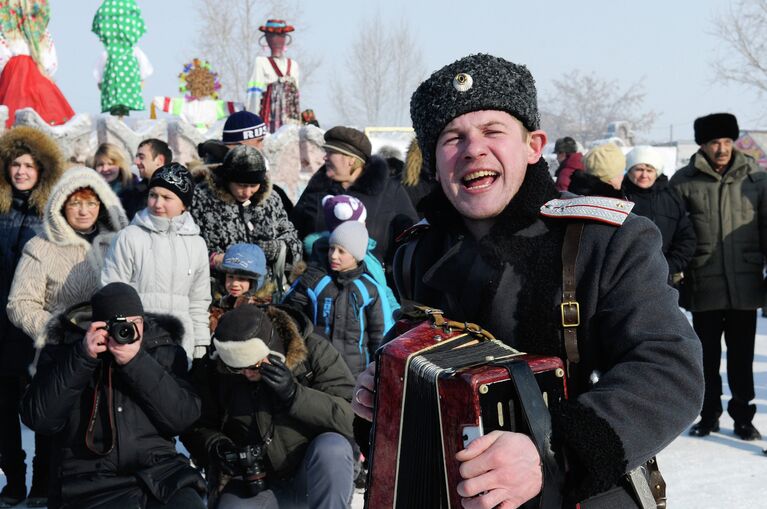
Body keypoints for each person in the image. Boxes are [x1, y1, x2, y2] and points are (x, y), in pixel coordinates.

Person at [352, 53, 703, 507]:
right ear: (435, 163)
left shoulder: (604, 240)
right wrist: (385, 393)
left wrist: (551, 453)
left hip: (582, 489)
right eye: (452, 138)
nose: (473, 149)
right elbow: (415, 351)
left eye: (493, 131)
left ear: (534, 146)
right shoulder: (415, 252)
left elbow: (669, 370)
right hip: (446, 489)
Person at [20, 282, 206, 509]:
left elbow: (184, 418)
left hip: (161, 475)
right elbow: (40, 419)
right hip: (88, 481)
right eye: (115, 326)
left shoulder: (163, 350)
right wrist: (82, 358)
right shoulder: (64, 351)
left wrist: (136, 362)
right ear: (95, 325)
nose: (124, 332)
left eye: (132, 324)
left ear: (142, 321)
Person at [181, 304, 356, 509]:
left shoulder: (315, 352)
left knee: (333, 448)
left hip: (312, 474)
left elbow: (352, 420)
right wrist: (215, 445)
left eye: (254, 366)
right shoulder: (215, 369)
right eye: (237, 369)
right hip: (253, 480)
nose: (247, 374)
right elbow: (196, 424)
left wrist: (295, 396)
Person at [670, 113, 767, 441]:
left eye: (727, 142)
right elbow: (674, 233)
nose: (722, 148)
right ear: (703, 145)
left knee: (742, 358)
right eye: (715, 143)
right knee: (706, 358)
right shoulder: (683, 182)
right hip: (703, 283)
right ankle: (708, 413)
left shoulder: (757, 179)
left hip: (746, 284)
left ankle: (743, 416)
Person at [0, 125, 64, 507]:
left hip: (38, 326)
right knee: (4, 409)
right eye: (15, 164)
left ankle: (43, 477)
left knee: (42, 406)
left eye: (28, 165)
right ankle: (13, 477)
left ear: (42, 171)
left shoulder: (53, 215)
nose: (21, 171)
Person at [102, 163, 211, 361]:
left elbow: (199, 300)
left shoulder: (197, 244)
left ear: (184, 204)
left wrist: (200, 343)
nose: (157, 203)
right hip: (136, 346)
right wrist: (123, 338)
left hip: (181, 346)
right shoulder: (129, 237)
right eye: (153, 195)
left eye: (167, 197)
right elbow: (112, 291)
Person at [291, 126, 418, 272]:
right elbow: (294, 232)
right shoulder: (317, 190)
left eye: (331, 152)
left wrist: (387, 273)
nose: (325, 157)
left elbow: (410, 240)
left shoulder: (390, 191)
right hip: (320, 286)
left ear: (351, 159)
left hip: (371, 288)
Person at [190, 144, 301, 296]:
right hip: (219, 291)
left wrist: (275, 249)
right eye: (241, 185)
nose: (247, 192)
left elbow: (292, 240)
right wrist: (214, 259)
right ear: (228, 180)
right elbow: (189, 245)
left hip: (265, 292)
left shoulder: (271, 199)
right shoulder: (203, 198)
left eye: (253, 185)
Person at [285, 221, 393, 378]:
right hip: (315, 368)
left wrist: (377, 371)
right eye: (331, 248)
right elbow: (289, 317)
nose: (333, 255)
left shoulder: (370, 288)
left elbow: (381, 334)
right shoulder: (313, 281)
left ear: (355, 256)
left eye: (341, 251)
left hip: (355, 373)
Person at [621, 145, 696, 286]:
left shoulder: (671, 198)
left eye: (649, 170)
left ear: (657, 172)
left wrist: (668, 267)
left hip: (663, 279)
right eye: (639, 169)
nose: (644, 175)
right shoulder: (619, 196)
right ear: (629, 170)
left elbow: (686, 238)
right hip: (626, 278)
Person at [0, 0, 74, 128]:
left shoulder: (5, 31)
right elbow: (50, 64)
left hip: (11, 82)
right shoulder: (41, 33)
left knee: (8, 126)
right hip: (41, 83)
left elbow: (2, 57)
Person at [246, 19, 300, 132]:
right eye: (272, 35)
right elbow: (254, 96)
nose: (277, 39)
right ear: (266, 38)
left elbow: (296, 98)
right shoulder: (261, 62)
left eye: (281, 35)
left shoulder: (293, 65)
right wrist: (251, 122)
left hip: (291, 123)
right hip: (269, 120)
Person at [208, 243, 275, 333]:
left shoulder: (262, 312)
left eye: (242, 278)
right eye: (230, 277)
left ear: (255, 282)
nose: (234, 283)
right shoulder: (216, 304)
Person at [120, 138, 173, 217]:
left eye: (141, 157)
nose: (136, 162)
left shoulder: (177, 193)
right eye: (137, 157)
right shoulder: (133, 193)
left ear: (159, 160)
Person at [93, 142, 142, 218]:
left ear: (120, 165)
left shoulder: (135, 189)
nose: (105, 169)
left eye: (110, 164)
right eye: (100, 164)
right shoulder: (90, 189)